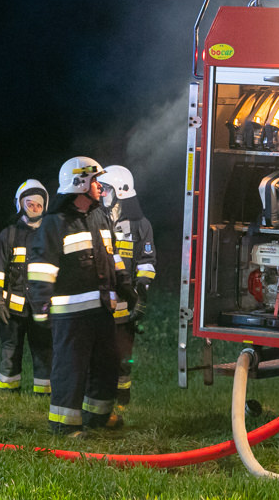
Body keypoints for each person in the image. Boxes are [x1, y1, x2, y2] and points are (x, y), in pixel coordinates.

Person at [27, 156, 136, 436]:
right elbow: (41, 269)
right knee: (70, 369)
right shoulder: (55, 223)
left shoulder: (99, 215)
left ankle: (97, 417)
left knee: (106, 364)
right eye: (96, 180)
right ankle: (64, 425)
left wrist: (125, 285)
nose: (101, 186)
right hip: (70, 313)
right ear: (81, 183)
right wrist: (40, 307)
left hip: (101, 308)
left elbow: (112, 255)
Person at [97, 165, 156, 422]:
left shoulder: (141, 225)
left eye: (106, 189)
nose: (101, 194)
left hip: (125, 303)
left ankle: (122, 399)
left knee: (123, 356)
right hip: (98, 302)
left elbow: (147, 261)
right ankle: (97, 396)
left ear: (120, 191)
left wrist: (141, 294)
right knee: (97, 353)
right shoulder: (95, 219)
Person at [0, 179, 52, 395]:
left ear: (45, 207)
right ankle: (8, 394)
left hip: (42, 308)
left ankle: (44, 394)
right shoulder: (9, 235)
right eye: (29, 203)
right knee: (10, 350)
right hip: (12, 309)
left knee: (44, 351)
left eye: (38, 205)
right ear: (20, 204)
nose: (34, 208)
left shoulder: (51, 236)